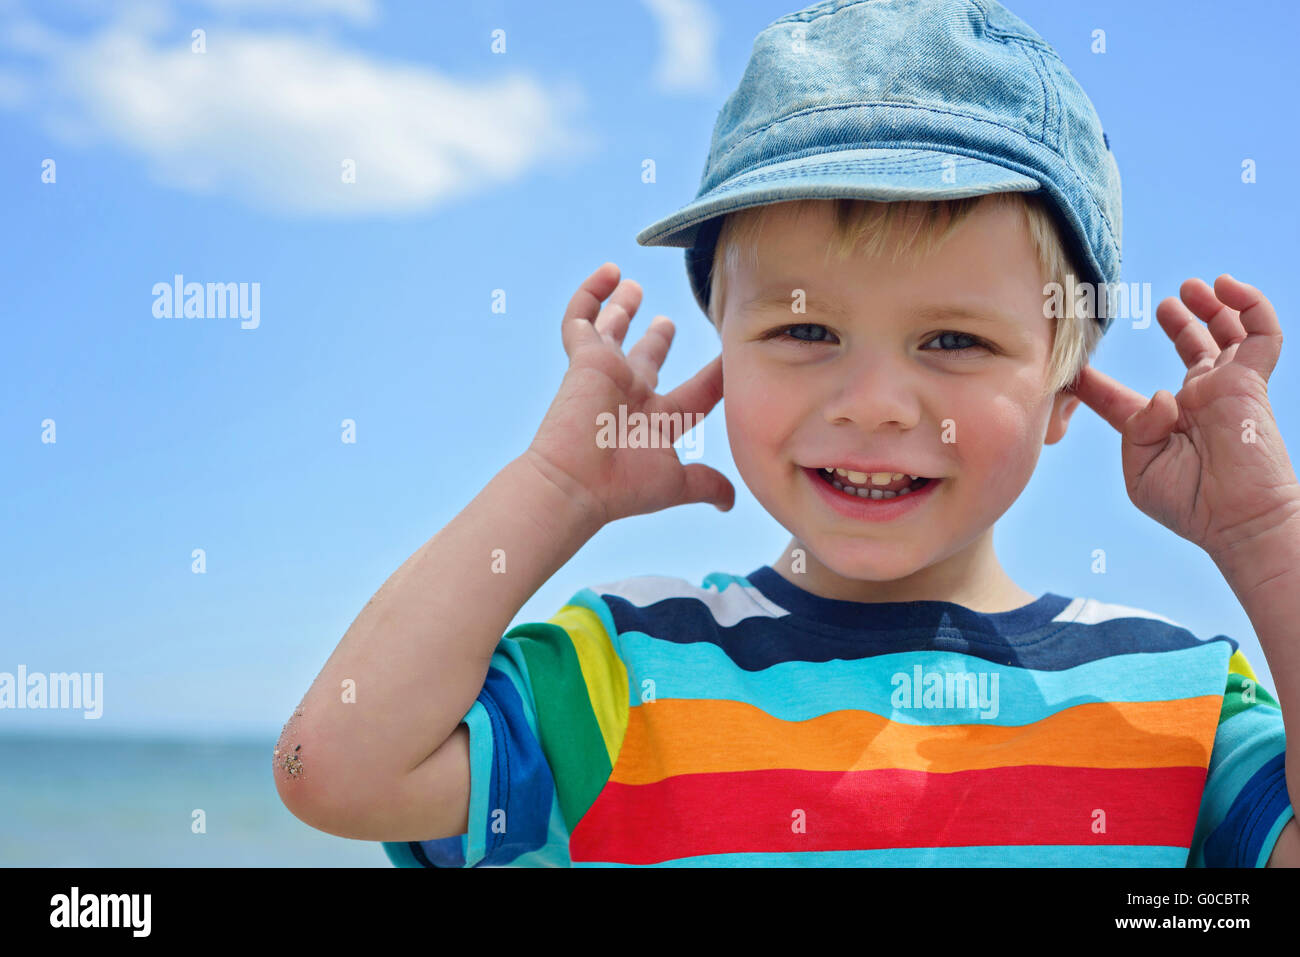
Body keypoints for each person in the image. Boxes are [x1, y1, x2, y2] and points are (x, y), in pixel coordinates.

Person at [275, 0, 1299, 867]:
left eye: (952, 339)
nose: (872, 403)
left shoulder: (1175, 705)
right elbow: (335, 773)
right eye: (804, 329)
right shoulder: (624, 677)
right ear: (724, 348)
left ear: (1064, 390)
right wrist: (555, 489)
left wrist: (1266, 539)